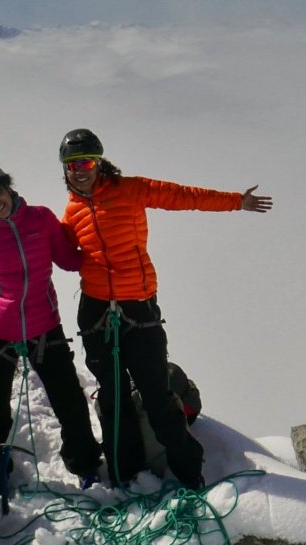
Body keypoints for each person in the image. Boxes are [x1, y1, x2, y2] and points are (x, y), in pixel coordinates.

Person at [56, 128, 272, 489]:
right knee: (113, 396)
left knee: (156, 393)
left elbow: (181, 196)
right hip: (95, 312)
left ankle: (190, 472)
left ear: (99, 162)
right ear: (64, 168)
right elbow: (68, 258)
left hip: (138, 308)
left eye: (87, 162)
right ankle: (125, 476)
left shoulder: (129, 189)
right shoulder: (71, 213)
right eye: (72, 164)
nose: (80, 170)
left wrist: (236, 201)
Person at [0, 162, 102, 514]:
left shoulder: (40, 219)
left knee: (69, 400)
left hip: (44, 324)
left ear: (8, 187)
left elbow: (69, 260)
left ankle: (85, 465)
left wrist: (100, 245)